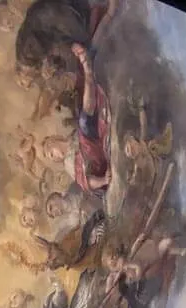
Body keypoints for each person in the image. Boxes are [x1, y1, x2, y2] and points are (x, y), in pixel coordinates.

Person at [41, 43, 111, 195]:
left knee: (84, 120)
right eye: (50, 156)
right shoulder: (68, 164)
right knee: (84, 122)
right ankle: (88, 72)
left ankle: (89, 73)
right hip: (97, 161)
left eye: (50, 151)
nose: (52, 157)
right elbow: (86, 182)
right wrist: (104, 181)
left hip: (94, 140)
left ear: (54, 139)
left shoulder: (72, 137)